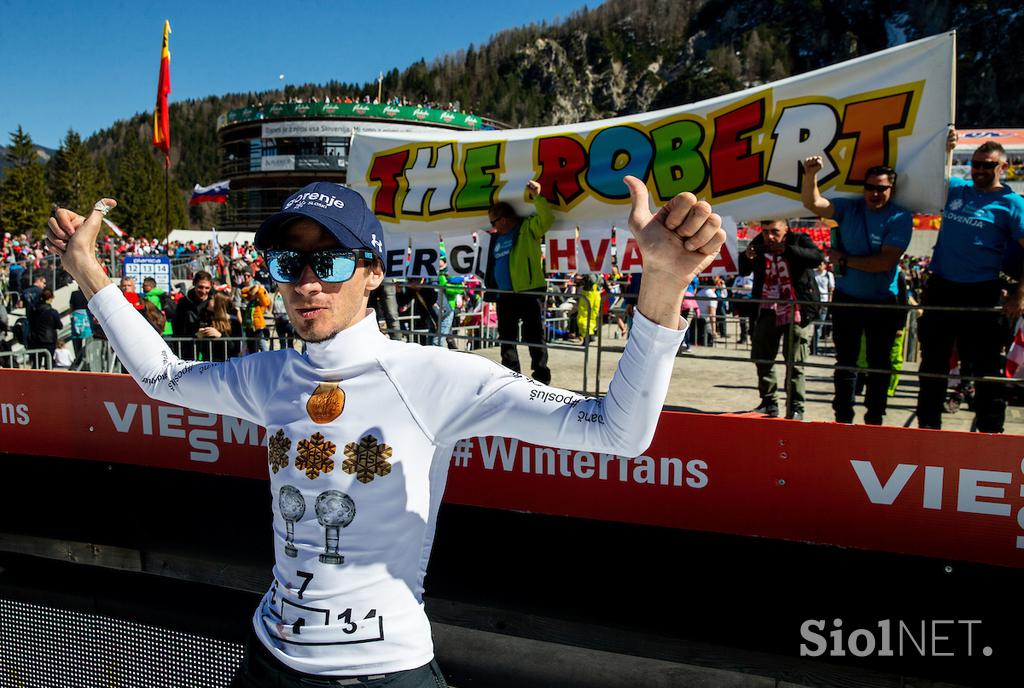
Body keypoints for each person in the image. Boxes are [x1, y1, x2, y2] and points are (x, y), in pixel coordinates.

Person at [48, 179, 725, 687]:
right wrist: (88, 271)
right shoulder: (270, 375)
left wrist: (661, 285)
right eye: (290, 265)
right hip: (269, 658)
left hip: (383, 670)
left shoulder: (436, 376)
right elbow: (164, 376)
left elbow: (616, 431)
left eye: (331, 262)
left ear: (373, 272)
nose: (307, 283)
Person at [916, 135, 1024, 432]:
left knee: (987, 368)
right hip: (941, 288)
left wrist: (1019, 294)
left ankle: (991, 432)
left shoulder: (1012, 203)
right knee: (933, 365)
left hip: (982, 291)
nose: (978, 170)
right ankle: (928, 426)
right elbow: (928, 171)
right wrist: (945, 146)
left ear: (1003, 166)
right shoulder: (955, 188)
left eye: (987, 165)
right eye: (975, 164)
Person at [802, 156, 912, 425]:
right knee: (845, 362)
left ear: (892, 190)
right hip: (847, 298)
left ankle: (875, 418)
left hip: (882, 301)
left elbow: (885, 262)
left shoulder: (899, 217)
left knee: (879, 364)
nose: (875, 193)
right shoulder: (849, 208)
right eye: (870, 187)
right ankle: (843, 416)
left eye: (881, 188)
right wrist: (810, 174)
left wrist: (844, 259)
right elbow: (813, 203)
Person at [738, 219, 823, 419]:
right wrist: (747, 256)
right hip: (767, 309)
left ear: (786, 228)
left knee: (795, 362)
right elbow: (743, 270)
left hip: (796, 310)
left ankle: (795, 407)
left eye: (775, 231)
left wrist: (787, 249)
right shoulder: (758, 243)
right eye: (766, 231)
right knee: (762, 358)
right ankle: (769, 403)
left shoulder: (799, 240)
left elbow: (817, 258)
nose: (770, 236)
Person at [484, 180, 554, 384]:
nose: (493, 226)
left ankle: (541, 377)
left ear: (504, 219)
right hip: (505, 296)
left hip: (529, 292)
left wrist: (538, 197)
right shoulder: (496, 239)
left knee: (535, 337)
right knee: (506, 339)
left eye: (493, 222)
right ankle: (510, 377)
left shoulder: (527, 228)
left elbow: (547, 219)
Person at [172, 270, 213, 360]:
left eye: (207, 288)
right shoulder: (183, 302)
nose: (203, 291)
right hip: (188, 347)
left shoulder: (215, 301)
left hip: (211, 347)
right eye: (200, 287)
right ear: (194, 284)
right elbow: (177, 326)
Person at [27, 287, 62, 360]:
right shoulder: (52, 312)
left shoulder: (34, 311)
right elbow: (59, 326)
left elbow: (30, 322)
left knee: (36, 364)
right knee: (49, 364)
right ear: (50, 298)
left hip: (36, 340)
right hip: (49, 341)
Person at [809, 261, 835, 355]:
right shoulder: (813, 273)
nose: (820, 265)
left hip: (824, 302)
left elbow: (831, 288)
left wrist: (829, 300)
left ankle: (814, 347)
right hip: (814, 302)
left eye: (822, 263)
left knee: (819, 325)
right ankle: (813, 347)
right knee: (814, 324)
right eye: (818, 263)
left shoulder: (828, 275)